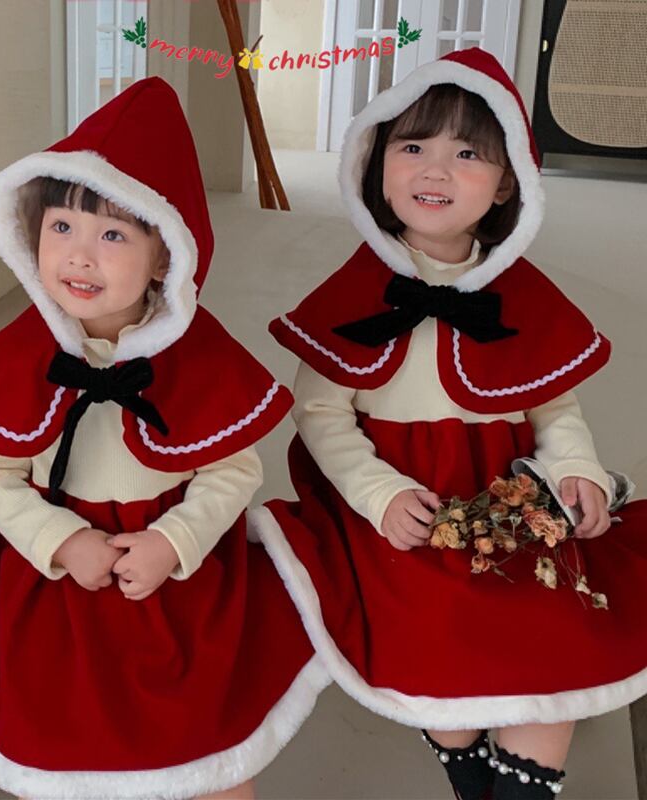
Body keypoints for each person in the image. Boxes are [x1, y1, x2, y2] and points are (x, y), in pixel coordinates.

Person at [0, 77, 328, 800]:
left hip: (170, 574)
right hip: (52, 575)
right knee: (59, 737)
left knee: (206, 748)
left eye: (113, 234)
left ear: (165, 255)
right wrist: (61, 542)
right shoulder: (23, 353)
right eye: (61, 227)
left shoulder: (199, 358)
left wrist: (174, 541)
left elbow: (231, 471)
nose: (80, 256)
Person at [250, 48, 647, 799]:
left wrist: (576, 471)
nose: (435, 170)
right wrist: (378, 494)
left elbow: (555, 406)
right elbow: (322, 414)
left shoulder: (522, 294)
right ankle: (464, 760)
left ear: (506, 183)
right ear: (376, 165)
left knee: (553, 631)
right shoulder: (354, 290)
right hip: (410, 504)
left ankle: (521, 784)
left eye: (467, 154)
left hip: (509, 497)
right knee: (432, 642)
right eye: (412, 147)